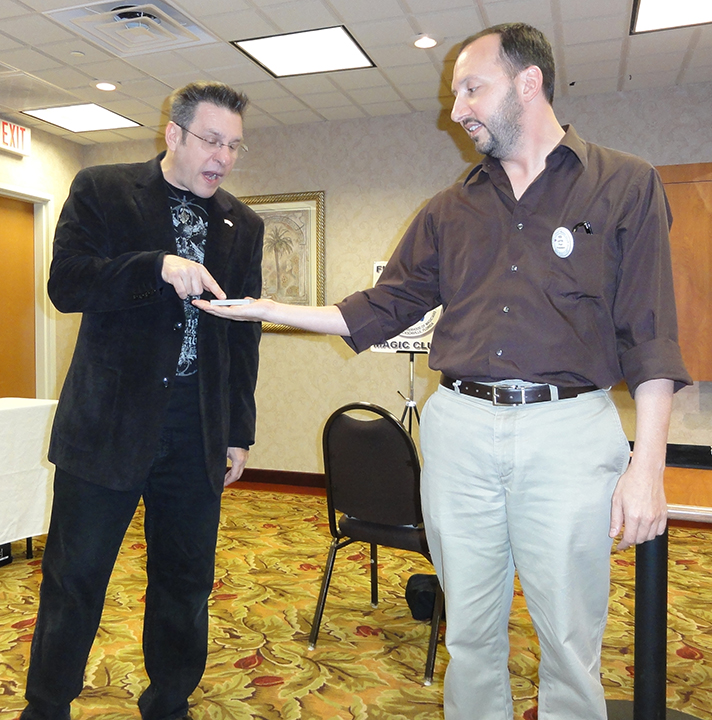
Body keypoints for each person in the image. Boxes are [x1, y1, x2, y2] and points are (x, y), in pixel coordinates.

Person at [194, 23, 691, 720]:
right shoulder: (451, 209)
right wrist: (268, 309)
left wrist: (648, 466)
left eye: (471, 89)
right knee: (470, 634)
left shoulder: (624, 184)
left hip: (569, 431)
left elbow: (651, 334)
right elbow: (379, 308)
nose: (455, 110)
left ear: (528, 83)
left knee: (570, 639)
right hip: (459, 429)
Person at [21, 82, 263, 720]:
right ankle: (46, 706)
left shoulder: (244, 224)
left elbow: (243, 336)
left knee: (185, 582)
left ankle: (168, 703)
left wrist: (237, 431)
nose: (223, 157)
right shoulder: (102, 189)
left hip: (196, 429)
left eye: (234, 146)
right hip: (108, 424)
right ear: (174, 134)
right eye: (211, 140)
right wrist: (153, 265)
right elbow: (66, 285)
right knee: (75, 578)